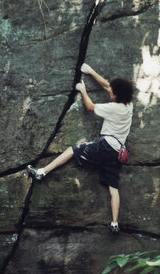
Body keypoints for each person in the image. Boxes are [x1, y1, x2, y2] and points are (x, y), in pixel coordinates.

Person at [27, 63, 134, 233]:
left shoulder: (114, 108)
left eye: (112, 92)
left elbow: (90, 107)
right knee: (113, 188)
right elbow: (108, 85)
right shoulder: (128, 106)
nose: (110, 91)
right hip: (118, 153)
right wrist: (91, 72)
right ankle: (115, 223)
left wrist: (83, 90)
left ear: (117, 95)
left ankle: (41, 173)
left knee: (72, 150)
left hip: (105, 147)